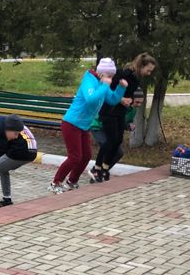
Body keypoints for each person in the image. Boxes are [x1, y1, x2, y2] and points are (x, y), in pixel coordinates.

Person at [50, 58, 127, 193]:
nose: (111, 79)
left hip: (84, 126)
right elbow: (91, 99)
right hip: (72, 123)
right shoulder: (89, 80)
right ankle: (56, 183)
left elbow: (112, 100)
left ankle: (72, 181)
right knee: (75, 157)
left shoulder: (102, 83)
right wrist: (105, 85)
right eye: (109, 76)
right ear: (101, 73)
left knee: (86, 156)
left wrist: (121, 88)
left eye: (112, 76)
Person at [91, 53, 157, 181]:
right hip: (109, 110)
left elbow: (130, 93)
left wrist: (130, 100)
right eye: (148, 70)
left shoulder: (136, 78)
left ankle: (105, 167)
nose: (149, 73)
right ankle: (96, 168)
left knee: (118, 140)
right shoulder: (124, 73)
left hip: (120, 112)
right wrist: (121, 99)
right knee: (110, 140)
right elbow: (108, 90)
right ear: (141, 66)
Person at [0, 119, 38, 210]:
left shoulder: (1, 128)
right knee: (2, 168)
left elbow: (4, 148)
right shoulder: (10, 123)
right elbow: (6, 148)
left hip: (20, 151)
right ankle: (7, 199)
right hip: (32, 151)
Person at [90, 88, 145, 182]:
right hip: (98, 127)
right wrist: (125, 125)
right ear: (130, 99)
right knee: (108, 146)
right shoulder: (117, 105)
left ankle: (101, 171)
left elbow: (125, 122)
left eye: (141, 103)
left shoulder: (132, 110)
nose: (138, 105)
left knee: (118, 153)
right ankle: (96, 171)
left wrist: (129, 126)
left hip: (110, 129)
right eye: (137, 102)